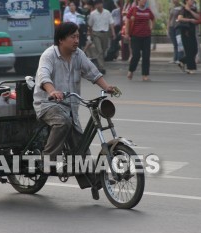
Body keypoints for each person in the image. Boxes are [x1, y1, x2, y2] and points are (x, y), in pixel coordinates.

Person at [33, 22, 117, 197]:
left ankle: (94, 181)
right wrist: (52, 91)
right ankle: (47, 160)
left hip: (70, 106)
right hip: (47, 104)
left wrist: (106, 87)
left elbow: (92, 72)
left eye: (78, 36)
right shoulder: (49, 55)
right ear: (61, 40)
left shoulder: (78, 55)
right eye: (73, 37)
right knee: (63, 122)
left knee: (81, 144)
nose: (77, 40)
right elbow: (43, 76)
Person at [124, 0, 155, 81]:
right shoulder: (133, 9)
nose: (144, 1)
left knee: (146, 56)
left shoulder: (148, 10)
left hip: (146, 36)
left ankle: (145, 75)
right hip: (135, 36)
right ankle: (131, 70)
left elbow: (153, 18)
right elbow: (127, 20)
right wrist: (127, 33)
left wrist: (151, 27)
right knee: (136, 55)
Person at [88, 0, 116, 74]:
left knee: (103, 50)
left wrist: (113, 33)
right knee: (99, 50)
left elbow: (111, 23)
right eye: (96, 4)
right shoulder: (93, 14)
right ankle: (101, 67)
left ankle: (100, 63)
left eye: (99, 4)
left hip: (105, 33)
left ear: (102, 4)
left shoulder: (107, 12)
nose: (98, 6)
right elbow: (90, 25)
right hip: (96, 33)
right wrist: (90, 35)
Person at [176, 0, 200, 74]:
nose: (192, 1)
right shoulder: (182, 9)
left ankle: (182, 61)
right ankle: (190, 68)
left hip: (192, 31)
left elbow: (198, 17)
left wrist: (190, 11)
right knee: (189, 50)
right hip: (185, 32)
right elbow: (179, 18)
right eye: (190, 0)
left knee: (194, 49)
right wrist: (189, 20)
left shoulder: (193, 9)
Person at [167, 0, 184, 64]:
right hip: (172, 26)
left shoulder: (181, 7)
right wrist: (167, 28)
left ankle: (180, 58)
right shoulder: (172, 8)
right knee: (175, 44)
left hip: (178, 26)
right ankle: (175, 58)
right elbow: (169, 18)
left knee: (179, 43)